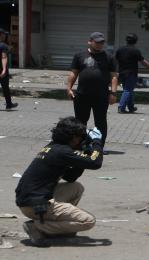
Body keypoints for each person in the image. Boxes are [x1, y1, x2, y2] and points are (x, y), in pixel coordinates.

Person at [15, 117, 103, 246]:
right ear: (73, 137)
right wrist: (96, 142)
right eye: (80, 137)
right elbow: (95, 162)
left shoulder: (53, 147)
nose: (81, 140)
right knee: (88, 221)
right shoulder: (62, 152)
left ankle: (57, 226)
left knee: (75, 188)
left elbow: (70, 177)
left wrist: (85, 153)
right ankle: (37, 227)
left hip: (30, 199)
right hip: (35, 204)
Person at [66, 32, 117, 150]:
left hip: (101, 96)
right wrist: (68, 88)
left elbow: (113, 76)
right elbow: (74, 73)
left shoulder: (109, 57)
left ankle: (99, 147)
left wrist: (113, 93)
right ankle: (80, 145)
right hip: (82, 95)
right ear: (90, 42)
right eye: (97, 42)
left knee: (100, 122)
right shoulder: (79, 55)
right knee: (80, 122)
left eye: (102, 42)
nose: (100, 44)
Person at [115, 33, 149, 114]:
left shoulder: (120, 49)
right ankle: (121, 107)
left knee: (129, 90)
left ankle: (131, 107)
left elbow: (115, 61)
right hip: (131, 73)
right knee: (128, 90)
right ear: (135, 41)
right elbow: (143, 62)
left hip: (122, 73)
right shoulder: (135, 50)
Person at [0, 28, 18, 110]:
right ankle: (9, 104)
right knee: (5, 88)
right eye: (4, 34)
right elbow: (4, 57)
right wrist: (4, 69)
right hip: (1, 71)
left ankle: (9, 104)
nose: (5, 36)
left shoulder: (4, 45)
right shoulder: (2, 45)